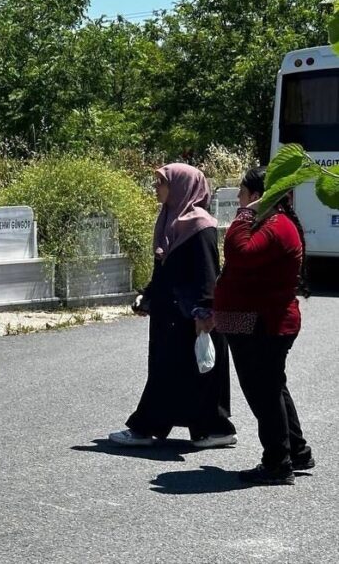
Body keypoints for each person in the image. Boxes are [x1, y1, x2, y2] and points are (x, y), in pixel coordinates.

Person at [109, 164, 237, 448]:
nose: (156, 188)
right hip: (170, 313)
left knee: (186, 372)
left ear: (181, 186)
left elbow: (207, 273)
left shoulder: (200, 225)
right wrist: (148, 296)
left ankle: (148, 428)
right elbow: (164, 271)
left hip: (190, 315)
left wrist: (205, 311)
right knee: (175, 372)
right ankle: (209, 429)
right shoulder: (169, 219)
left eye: (161, 183)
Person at [205, 166, 314, 485]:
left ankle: (277, 464)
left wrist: (244, 215)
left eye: (241, 194)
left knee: (264, 393)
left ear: (256, 196)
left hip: (263, 325)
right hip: (261, 323)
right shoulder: (274, 222)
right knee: (272, 387)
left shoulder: (274, 224)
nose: (238, 199)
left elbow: (239, 253)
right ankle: (296, 450)